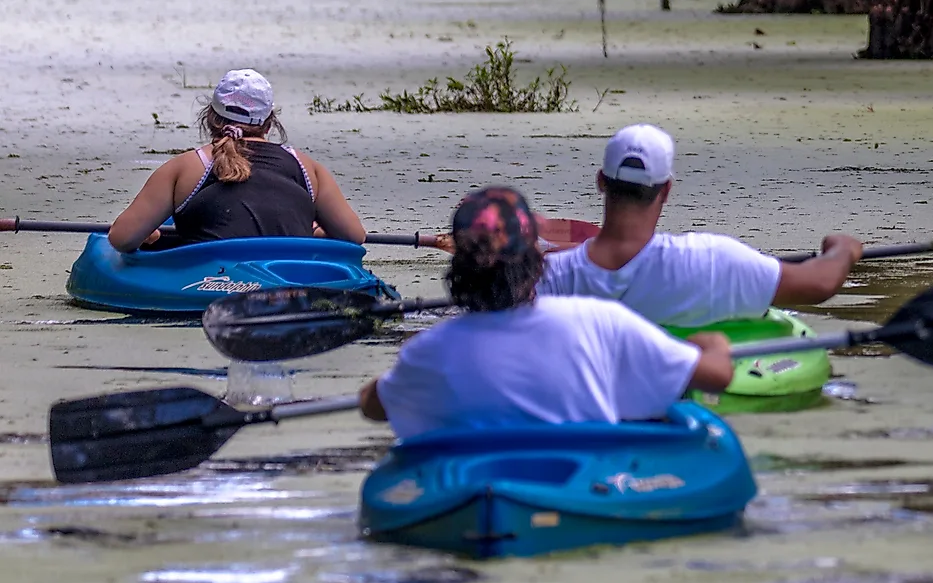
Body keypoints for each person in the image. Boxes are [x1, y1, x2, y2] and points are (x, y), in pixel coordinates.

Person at [361, 187, 736, 440]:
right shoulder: (599, 320)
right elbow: (716, 376)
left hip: (476, 486)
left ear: (458, 270)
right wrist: (713, 345)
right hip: (578, 483)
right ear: (537, 262)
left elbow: (372, 406)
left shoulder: (426, 350)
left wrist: (392, 379)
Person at [537, 124, 863, 327]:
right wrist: (843, 249)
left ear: (600, 181)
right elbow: (820, 283)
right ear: (666, 190)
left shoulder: (545, 275)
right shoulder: (710, 260)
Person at [108, 70, 366, 251]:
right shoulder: (308, 168)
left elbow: (121, 239)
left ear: (210, 117)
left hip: (208, 282)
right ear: (270, 122)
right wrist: (316, 231)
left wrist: (149, 234)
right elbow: (354, 235)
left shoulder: (184, 168)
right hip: (289, 280)